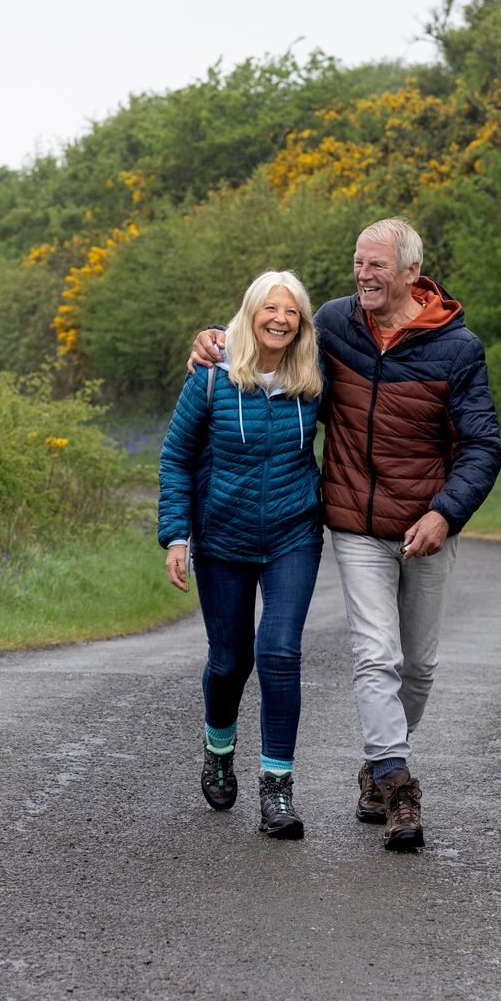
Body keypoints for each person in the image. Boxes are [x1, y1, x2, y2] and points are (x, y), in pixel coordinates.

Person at [191, 217, 500, 852]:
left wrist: (445, 513)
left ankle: (375, 765)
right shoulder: (335, 324)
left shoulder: (458, 349)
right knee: (374, 655)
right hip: (355, 525)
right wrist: (216, 338)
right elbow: (271, 325)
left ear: (412, 273)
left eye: (377, 266)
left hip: (427, 527)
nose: (363, 275)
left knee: (418, 666)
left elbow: (483, 446)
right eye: (358, 263)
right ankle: (395, 781)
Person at [158, 269, 327, 839]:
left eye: (292, 312)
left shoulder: (314, 377)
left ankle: (277, 789)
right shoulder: (212, 376)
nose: (281, 319)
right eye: (270, 309)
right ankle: (219, 747)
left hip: (293, 536)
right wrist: (176, 537)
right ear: (251, 312)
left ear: (302, 322)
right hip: (223, 539)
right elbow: (176, 459)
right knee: (230, 661)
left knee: (279, 653)